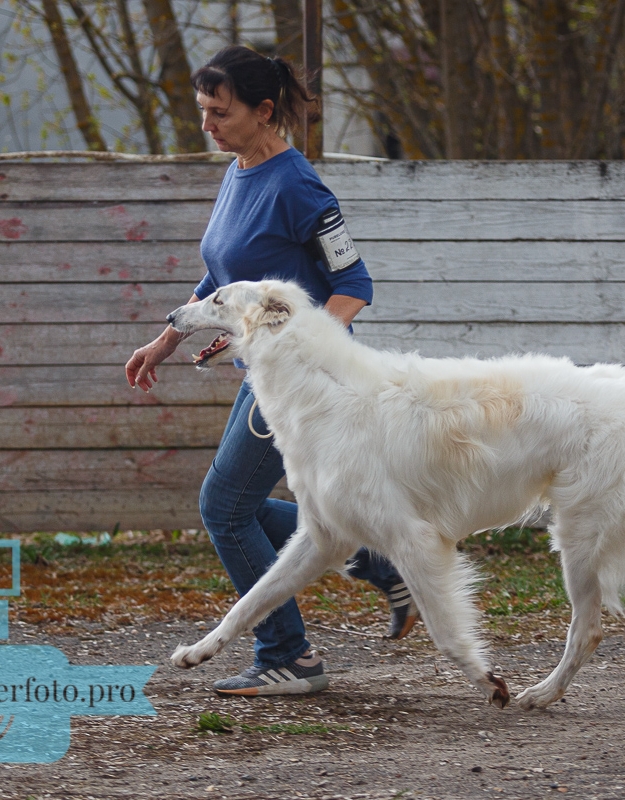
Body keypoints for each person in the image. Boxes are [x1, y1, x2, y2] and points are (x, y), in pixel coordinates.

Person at [125, 45, 418, 697]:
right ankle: (376, 557)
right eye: (202, 110)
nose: (208, 124)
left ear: (263, 111)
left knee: (225, 508)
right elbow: (227, 273)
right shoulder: (238, 169)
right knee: (243, 506)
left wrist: (308, 342)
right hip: (264, 372)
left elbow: (355, 282)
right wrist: (168, 338)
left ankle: (289, 654)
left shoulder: (298, 184)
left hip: (303, 378)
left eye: (219, 112)